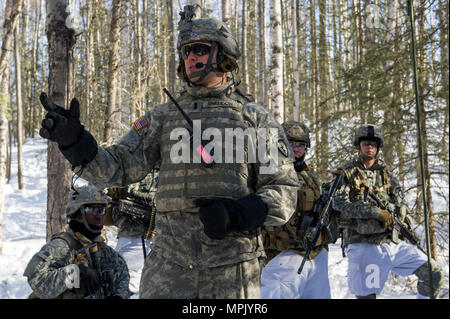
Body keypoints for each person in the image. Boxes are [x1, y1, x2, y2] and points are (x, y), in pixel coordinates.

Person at [37, 6, 299, 299]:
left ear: (223, 55)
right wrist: (76, 143)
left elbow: (284, 191)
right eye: (186, 52)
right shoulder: (163, 118)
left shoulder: (254, 118)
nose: (190, 58)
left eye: (199, 49)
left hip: (233, 270)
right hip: (168, 269)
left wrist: (238, 213)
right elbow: (118, 167)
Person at [332, 124, 443, 299]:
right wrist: (374, 212)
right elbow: (338, 203)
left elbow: (401, 202)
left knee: (433, 274)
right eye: (366, 143)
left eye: (374, 144)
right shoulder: (346, 173)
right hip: (364, 244)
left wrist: (402, 220)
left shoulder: (386, 174)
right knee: (368, 295)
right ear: (358, 145)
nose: (370, 147)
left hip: (391, 242)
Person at [261, 121, 337, 299]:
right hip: (282, 257)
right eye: (291, 144)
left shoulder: (308, 176)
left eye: (301, 145)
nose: (296, 150)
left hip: (315, 255)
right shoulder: (267, 173)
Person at [23, 185, 131, 299]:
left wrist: (118, 296)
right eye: (93, 210)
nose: (99, 216)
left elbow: (123, 279)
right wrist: (76, 273)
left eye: (102, 210)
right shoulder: (61, 246)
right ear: (77, 213)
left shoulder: (106, 252)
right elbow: (37, 280)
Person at [105, 167, 159, 295]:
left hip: (164, 237)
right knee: (124, 284)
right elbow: (107, 201)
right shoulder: (127, 161)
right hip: (132, 235)